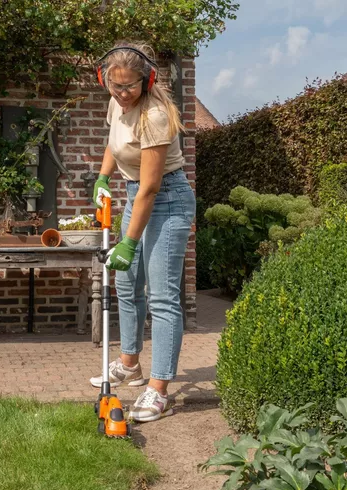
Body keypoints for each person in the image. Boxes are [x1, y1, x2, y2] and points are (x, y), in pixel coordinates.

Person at [89, 41, 196, 423]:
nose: (121, 93)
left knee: (162, 297)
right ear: (105, 78)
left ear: (147, 80)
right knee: (125, 284)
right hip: (137, 195)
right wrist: (103, 177)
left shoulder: (155, 115)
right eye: (114, 85)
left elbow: (150, 188)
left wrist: (129, 242)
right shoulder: (116, 103)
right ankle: (129, 364)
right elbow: (113, 143)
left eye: (129, 86)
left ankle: (159, 389)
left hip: (166, 200)